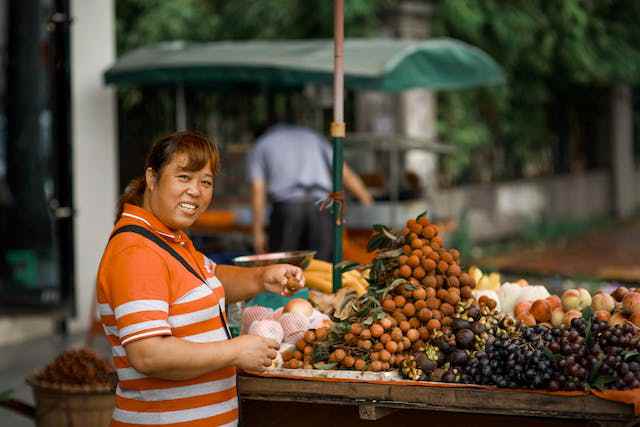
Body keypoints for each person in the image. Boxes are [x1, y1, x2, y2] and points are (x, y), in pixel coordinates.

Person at [96, 130, 304, 427]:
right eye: (184, 177)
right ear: (152, 179)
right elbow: (148, 354)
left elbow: (209, 276)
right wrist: (237, 350)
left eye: (205, 182)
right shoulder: (137, 252)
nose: (196, 191)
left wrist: (262, 277)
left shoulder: (169, 238)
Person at [248, 123, 373, 261]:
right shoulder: (313, 137)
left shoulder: (262, 144)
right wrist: (366, 199)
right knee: (323, 268)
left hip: (288, 209)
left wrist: (257, 232)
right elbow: (343, 170)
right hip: (321, 206)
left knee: (284, 269)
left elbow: (257, 190)